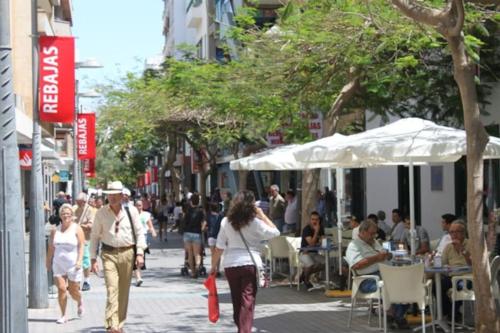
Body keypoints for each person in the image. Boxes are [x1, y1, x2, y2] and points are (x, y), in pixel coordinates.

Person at [211, 190, 279, 333]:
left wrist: (213, 267)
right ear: (251, 205)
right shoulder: (255, 222)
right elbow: (275, 232)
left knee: (237, 301)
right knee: (247, 301)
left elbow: (219, 247)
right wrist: (262, 215)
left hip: (231, 265)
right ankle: (244, 330)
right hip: (250, 264)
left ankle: (242, 328)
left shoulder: (226, 221)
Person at [90, 181, 147, 333]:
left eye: (115, 195)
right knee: (111, 288)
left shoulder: (132, 211)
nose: (112, 198)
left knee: (123, 291)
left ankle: (119, 324)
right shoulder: (101, 212)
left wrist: (140, 253)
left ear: (122, 196)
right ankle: (111, 325)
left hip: (128, 253)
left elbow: (140, 233)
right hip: (108, 254)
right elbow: (95, 236)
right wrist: (93, 259)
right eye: (110, 195)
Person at [346, 220, 409, 329]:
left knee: (407, 283)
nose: (373, 236)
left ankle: (393, 315)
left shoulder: (374, 242)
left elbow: (384, 254)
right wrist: (376, 258)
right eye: (371, 233)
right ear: (363, 232)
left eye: (375, 233)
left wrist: (388, 255)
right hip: (367, 280)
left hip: (385, 274)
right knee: (391, 285)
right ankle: (397, 316)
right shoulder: (354, 245)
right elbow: (356, 265)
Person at [46, 203, 85, 324]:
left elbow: (81, 246)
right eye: (63, 214)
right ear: (60, 216)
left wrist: (79, 261)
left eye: (68, 214)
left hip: (73, 264)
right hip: (58, 264)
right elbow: (51, 248)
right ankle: (63, 315)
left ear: (72, 215)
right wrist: (47, 262)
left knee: (73, 291)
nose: (65, 216)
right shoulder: (55, 230)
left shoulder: (77, 228)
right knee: (62, 289)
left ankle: (79, 301)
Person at [440, 220, 472, 321]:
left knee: (459, 287)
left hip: (468, 277)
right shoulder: (448, 247)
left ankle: (452, 315)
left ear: (463, 232)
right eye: (451, 232)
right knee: (438, 286)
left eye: (457, 232)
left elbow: (474, 264)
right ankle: (449, 313)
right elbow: (442, 263)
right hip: (452, 275)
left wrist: (462, 249)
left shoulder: (471, 244)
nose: (454, 235)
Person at [73, 192, 96, 291]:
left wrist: (78, 226)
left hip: (85, 239)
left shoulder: (90, 210)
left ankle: (86, 281)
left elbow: (90, 226)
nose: (77, 204)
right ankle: (75, 281)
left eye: (79, 202)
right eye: (76, 202)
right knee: (74, 260)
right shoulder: (73, 208)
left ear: (84, 202)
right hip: (73, 239)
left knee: (85, 260)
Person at [299, 211, 325, 290]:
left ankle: (305, 274)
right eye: (313, 219)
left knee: (325, 263)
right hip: (304, 253)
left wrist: (323, 239)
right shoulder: (306, 229)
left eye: (316, 220)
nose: (314, 221)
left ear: (319, 220)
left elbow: (322, 240)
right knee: (310, 264)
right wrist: (316, 231)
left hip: (314, 253)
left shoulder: (320, 228)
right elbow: (312, 243)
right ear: (310, 220)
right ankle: (306, 280)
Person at [133, 200, 157, 286]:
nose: (138, 207)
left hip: (143, 237)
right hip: (134, 237)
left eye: (139, 205)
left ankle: (137, 274)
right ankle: (138, 277)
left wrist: (153, 231)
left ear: (142, 206)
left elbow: (150, 225)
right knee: (136, 256)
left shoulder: (146, 215)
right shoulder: (132, 215)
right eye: (136, 205)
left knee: (141, 256)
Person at [183, 193, 205, 278]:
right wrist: (202, 229)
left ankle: (193, 272)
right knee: (197, 254)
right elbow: (204, 222)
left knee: (190, 253)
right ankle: (198, 266)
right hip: (196, 233)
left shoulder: (187, 210)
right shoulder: (200, 211)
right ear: (198, 201)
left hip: (187, 233)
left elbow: (184, 221)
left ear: (191, 201)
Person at [206, 202, 223, 275]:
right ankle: (218, 270)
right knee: (218, 254)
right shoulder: (221, 216)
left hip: (211, 236)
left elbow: (206, 226)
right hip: (219, 237)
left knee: (213, 254)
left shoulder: (208, 216)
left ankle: (213, 269)